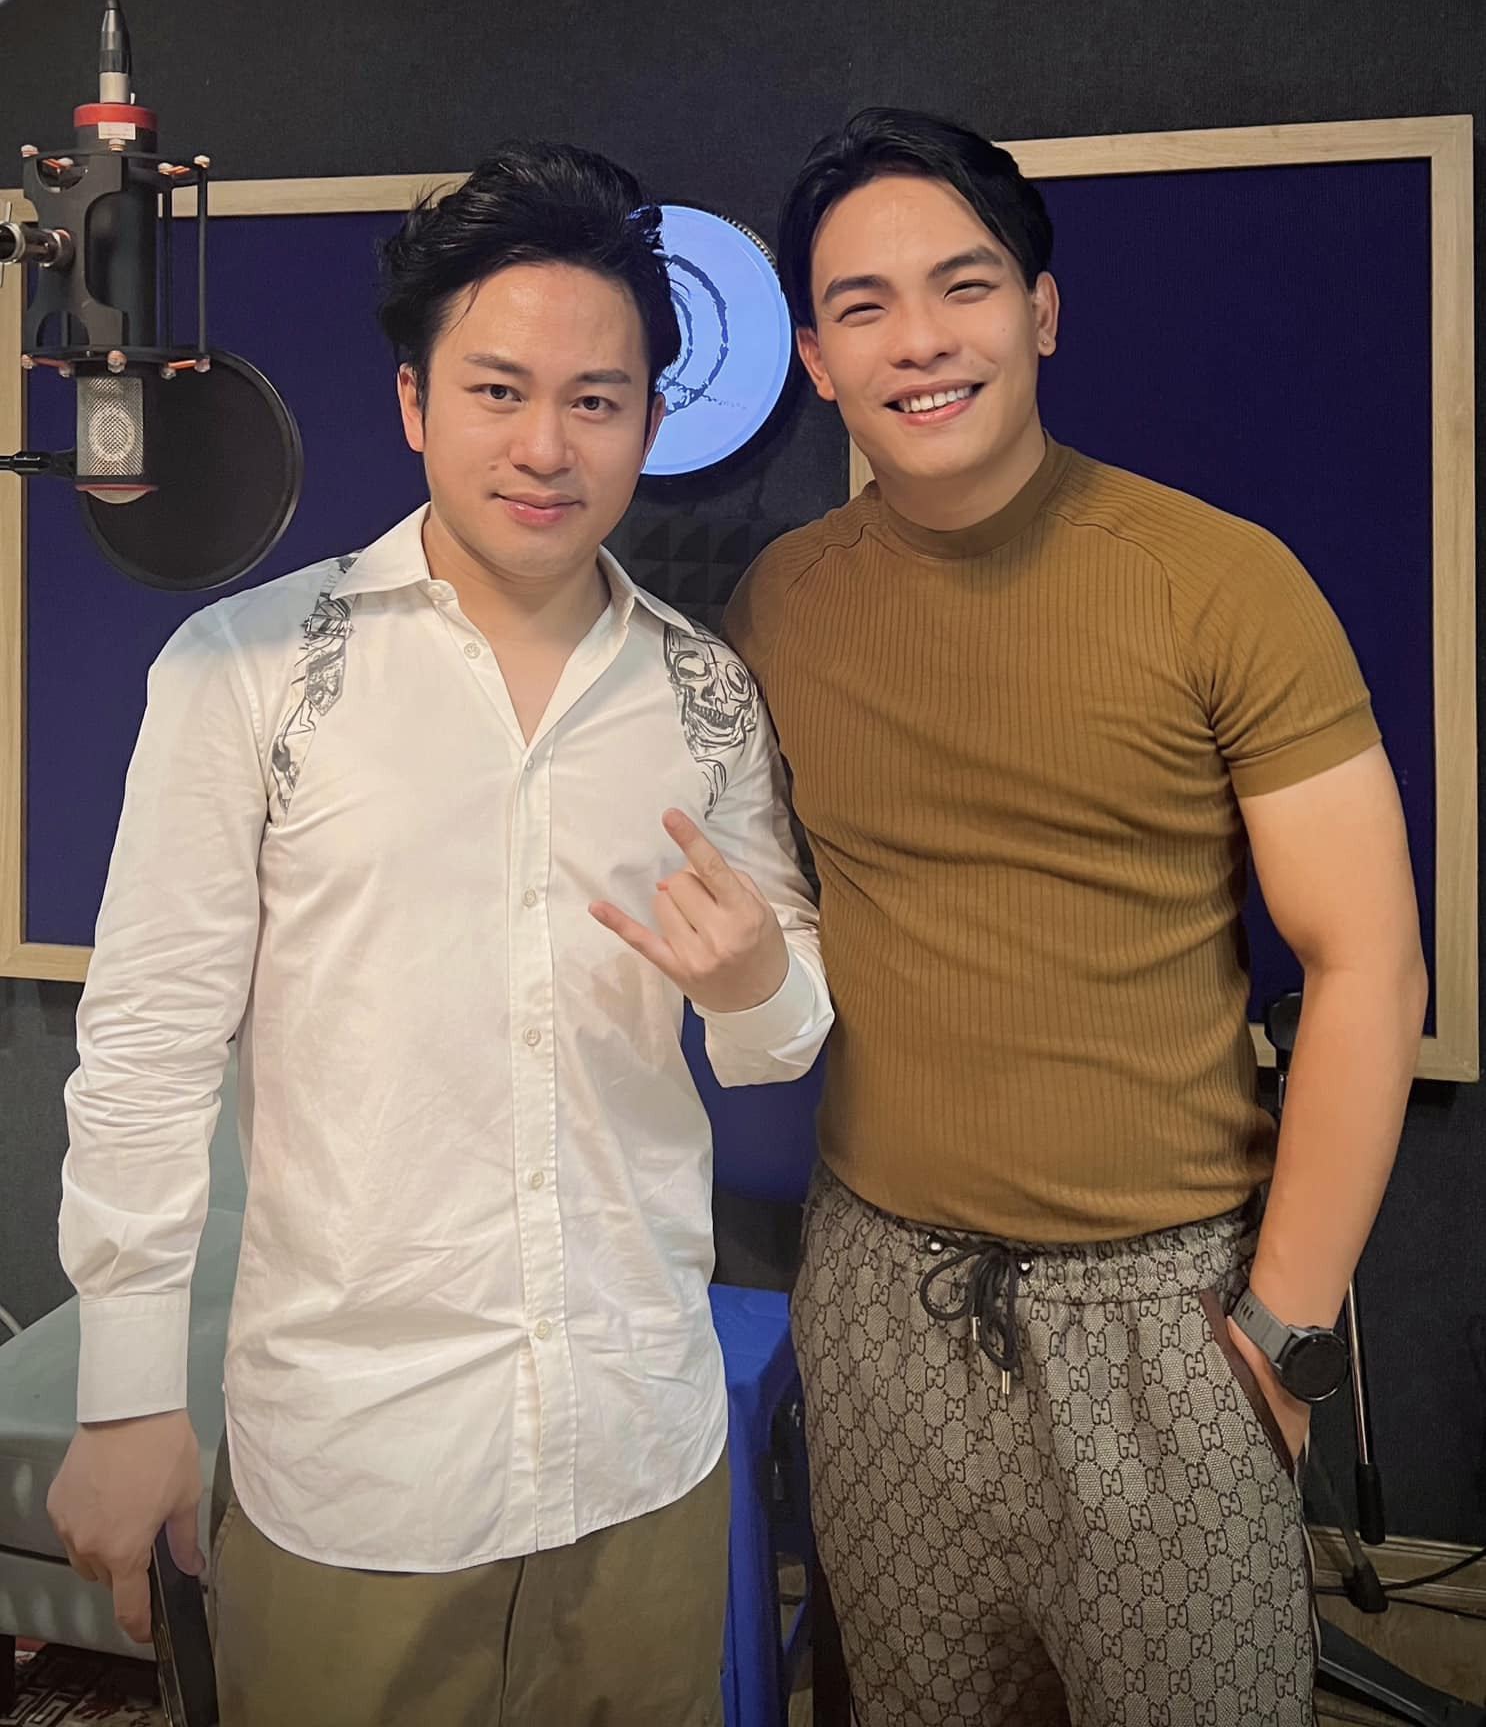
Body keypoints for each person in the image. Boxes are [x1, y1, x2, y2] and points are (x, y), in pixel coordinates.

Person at [47, 140, 832, 1727]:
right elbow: (145, 1048)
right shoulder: (247, 672)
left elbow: (782, 1030)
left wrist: (756, 982)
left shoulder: (703, 693)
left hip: (640, 1447)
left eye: (596, 400)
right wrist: (127, 1395)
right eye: (496, 391)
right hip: (362, 1467)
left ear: (650, 423)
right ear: (414, 403)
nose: (546, 445)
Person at [724, 107, 1427, 1726]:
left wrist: (1281, 1333)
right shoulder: (780, 606)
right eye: (861, 306)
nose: (918, 339)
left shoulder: (1217, 582)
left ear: (1039, 312)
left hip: (1166, 1320)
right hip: (880, 1302)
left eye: (962, 286)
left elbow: (1366, 964)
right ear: (817, 362)